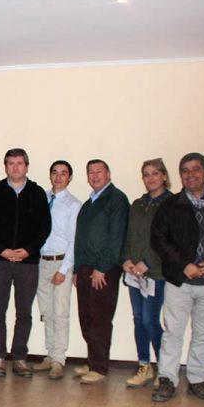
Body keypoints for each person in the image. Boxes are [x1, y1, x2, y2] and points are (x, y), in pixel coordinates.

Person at [150, 152, 204, 402]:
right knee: (172, 332)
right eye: (185, 170)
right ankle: (167, 379)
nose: (190, 175)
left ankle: (198, 380)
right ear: (180, 175)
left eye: (196, 169)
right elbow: (158, 239)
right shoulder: (170, 205)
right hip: (180, 281)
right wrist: (183, 264)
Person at [0, 148, 51, 378]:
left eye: (19, 163)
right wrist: (2, 250)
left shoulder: (38, 193)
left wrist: (27, 250)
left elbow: (44, 227)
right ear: (5, 166)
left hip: (27, 263)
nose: (15, 168)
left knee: (24, 313)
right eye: (10, 163)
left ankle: (20, 358)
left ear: (26, 166)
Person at [72, 159, 129, 384]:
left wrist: (102, 268)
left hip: (104, 270)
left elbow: (116, 237)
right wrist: (77, 269)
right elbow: (80, 239)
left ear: (109, 174)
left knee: (100, 319)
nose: (94, 176)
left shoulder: (117, 200)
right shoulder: (88, 204)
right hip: (85, 269)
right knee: (86, 317)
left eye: (99, 172)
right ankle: (92, 360)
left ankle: (99, 367)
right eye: (91, 172)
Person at [121, 159, 172, 388]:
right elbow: (129, 236)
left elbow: (171, 241)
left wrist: (147, 263)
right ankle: (144, 366)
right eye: (146, 174)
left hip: (156, 274)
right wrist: (126, 260)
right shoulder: (137, 204)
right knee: (138, 320)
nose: (150, 178)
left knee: (151, 321)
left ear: (164, 176)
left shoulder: (173, 204)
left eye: (155, 173)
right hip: (135, 274)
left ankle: (165, 369)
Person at [33, 160, 81, 380]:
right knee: (47, 312)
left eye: (64, 174)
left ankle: (59, 360)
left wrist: (64, 269)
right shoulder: (41, 197)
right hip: (41, 262)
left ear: (70, 178)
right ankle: (50, 354)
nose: (59, 177)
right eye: (55, 173)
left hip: (61, 262)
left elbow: (74, 241)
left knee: (60, 313)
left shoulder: (73, 205)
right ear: (50, 175)